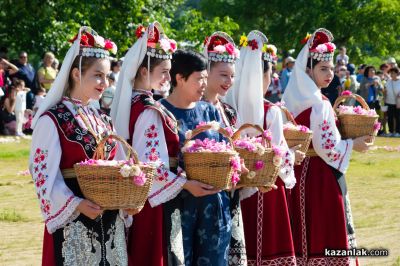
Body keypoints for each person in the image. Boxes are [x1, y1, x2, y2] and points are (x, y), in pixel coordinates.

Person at [29, 26, 130, 265]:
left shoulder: (103, 119)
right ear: (76, 73)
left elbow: (120, 163)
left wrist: (127, 198)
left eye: (107, 77)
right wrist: (76, 205)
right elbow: (43, 175)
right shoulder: (52, 119)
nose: (104, 83)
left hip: (109, 216)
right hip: (73, 217)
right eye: (97, 75)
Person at [111, 22, 204, 266]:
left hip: (141, 196)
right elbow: (151, 166)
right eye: (164, 71)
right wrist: (185, 182)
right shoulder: (149, 110)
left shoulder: (131, 104)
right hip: (154, 202)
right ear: (144, 72)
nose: (167, 78)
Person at [282, 28, 372, 265]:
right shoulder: (319, 103)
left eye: (331, 68)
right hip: (321, 177)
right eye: (323, 68)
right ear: (308, 69)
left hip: (297, 172)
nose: (330, 74)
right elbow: (328, 148)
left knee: (302, 232)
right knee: (324, 233)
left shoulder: (289, 99)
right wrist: (355, 144)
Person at [227, 30, 303, 265]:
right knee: (267, 249)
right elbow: (278, 157)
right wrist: (293, 155)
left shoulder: (227, 107)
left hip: (233, 188)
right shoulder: (271, 111)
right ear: (263, 75)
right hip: (266, 191)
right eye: (271, 74)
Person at [160, 49, 235, 265]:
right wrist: (185, 184)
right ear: (180, 78)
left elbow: (223, 149)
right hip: (180, 203)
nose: (204, 84)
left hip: (214, 203)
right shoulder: (161, 112)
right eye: (199, 78)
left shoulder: (209, 111)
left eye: (205, 78)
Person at [202, 31, 248, 265]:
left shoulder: (228, 111)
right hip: (202, 195)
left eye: (232, 76)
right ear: (206, 72)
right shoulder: (195, 108)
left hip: (229, 193)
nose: (229, 81)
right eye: (223, 75)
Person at [384, 67, 400, 137]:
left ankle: (398, 132)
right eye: (391, 73)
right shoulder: (388, 81)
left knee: (398, 118)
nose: (392, 74)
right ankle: (390, 131)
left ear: (397, 73)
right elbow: (385, 91)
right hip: (388, 102)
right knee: (390, 117)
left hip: (398, 103)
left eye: (394, 73)